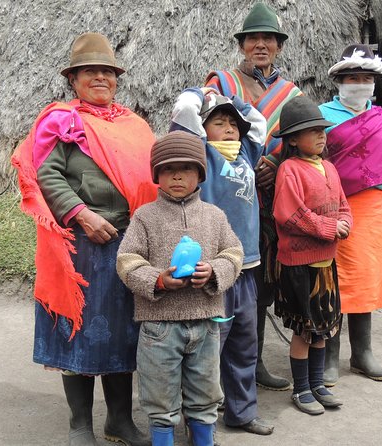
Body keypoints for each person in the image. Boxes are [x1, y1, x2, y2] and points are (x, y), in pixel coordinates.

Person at [11, 32, 156, 446]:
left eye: (106, 72)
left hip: (128, 244)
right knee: (77, 331)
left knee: (124, 333)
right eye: (89, 72)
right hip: (80, 247)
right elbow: (47, 174)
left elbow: (151, 178)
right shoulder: (62, 123)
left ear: (116, 79)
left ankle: (119, 421)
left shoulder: (135, 126)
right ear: (73, 80)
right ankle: (80, 425)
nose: (99, 78)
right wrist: (83, 214)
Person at [116, 131, 244, 446]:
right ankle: (163, 439)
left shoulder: (214, 217)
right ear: (156, 174)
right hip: (159, 327)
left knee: (205, 392)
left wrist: (214, 271)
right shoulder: (145, 217)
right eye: (168, 169)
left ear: (199, 174)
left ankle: (203, 439)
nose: (176, 175)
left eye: (186, 168)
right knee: (159, 396)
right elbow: (127, 260)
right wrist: (157, 279)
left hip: (205, 323)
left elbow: (234, 253)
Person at [205, 0, 301, 393]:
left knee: (257, 277)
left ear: (278, 45)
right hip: (227, 192)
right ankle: (212, 368)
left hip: (268, 195)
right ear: (242, 44)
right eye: (253, 38)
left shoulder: (290, 92)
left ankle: (254, 360)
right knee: (222, 271)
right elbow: (204, 126)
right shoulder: (223, 83)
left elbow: (296, 138)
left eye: (268, 39)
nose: (261, 44)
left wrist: (275, 166)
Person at [170, 88, 275, 435]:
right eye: (219, 122)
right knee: (206, 352)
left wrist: (237, 103)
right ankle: (200, 421)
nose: (229, 128)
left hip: (246, 270)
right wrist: (202, 92)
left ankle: (242, 413)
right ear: (204, 128)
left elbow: (258, 122)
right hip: (212, 273)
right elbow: (185, 110)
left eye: (233, 124)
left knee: (244, 348)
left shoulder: (245, 153)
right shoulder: (201, 157)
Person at [318, 44, 382, 386]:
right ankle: (329, 356)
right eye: (353, 77)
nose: (360, 83)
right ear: (339, 81)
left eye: (366, 77)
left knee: (363, 280)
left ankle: (362, 354)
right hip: (334, 209)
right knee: (333, 281)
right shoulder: (321, 116)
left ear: (375, 83)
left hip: (374, 212)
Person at [271, 96, 351, 415]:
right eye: (311, 130)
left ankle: (317, 383)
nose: (320, 135)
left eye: (322, 129)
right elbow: (290, 214)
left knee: (324, 328)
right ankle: (301, 388)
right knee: (305, 330)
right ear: (292, 139)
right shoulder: (290, 170)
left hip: (326, 265)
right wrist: (331, 228)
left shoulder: (330, 168)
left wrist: (345, 222)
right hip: (299, 265)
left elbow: (344, 205)